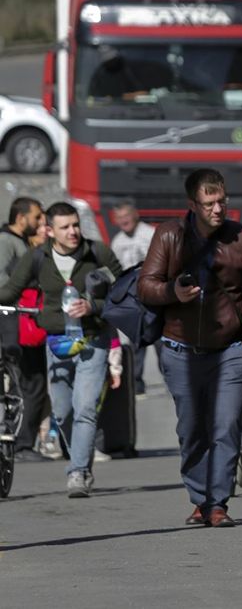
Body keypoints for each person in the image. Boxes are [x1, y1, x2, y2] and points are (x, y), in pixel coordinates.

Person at [139, 169, 242, 527]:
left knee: (225, 425)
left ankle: (217, 504)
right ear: (192, 205)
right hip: (179, 350)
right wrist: (173, 293)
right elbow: (146, 286)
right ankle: (200, 499)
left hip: (231, 350)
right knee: (193, 428)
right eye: (209, 204)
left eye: (222, 202)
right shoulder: (169, 235)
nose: (218, 209)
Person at [0, 202, 122, 497]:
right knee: (63, 412)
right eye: (65, 227)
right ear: (49, 230)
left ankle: (78, 472)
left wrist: (93, 306)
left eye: (76, 225)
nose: (73, 232)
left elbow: (125, 291)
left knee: (84, 409)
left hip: (93, 339)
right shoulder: (37, 257)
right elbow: (10, 292)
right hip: (56, 343)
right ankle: (81, 457)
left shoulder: (97, 252)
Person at [0, 197, 50, 462]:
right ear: (21, 218)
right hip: (15, 326)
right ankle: (21, 445)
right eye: (37, 217)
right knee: (29, 384)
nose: (40, 222)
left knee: (32, 383)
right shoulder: (7, 242)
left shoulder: (19, 243)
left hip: (23, 324)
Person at [108, 200, 159, 394]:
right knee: (136, 341)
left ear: (135, 215)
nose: (123, 221)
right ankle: (136, 383)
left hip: (153, 296)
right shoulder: (117, 241)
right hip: (132, 299)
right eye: (119, 218)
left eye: (126, 216)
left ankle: (171, 379)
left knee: (160, 341)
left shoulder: (150, 234)